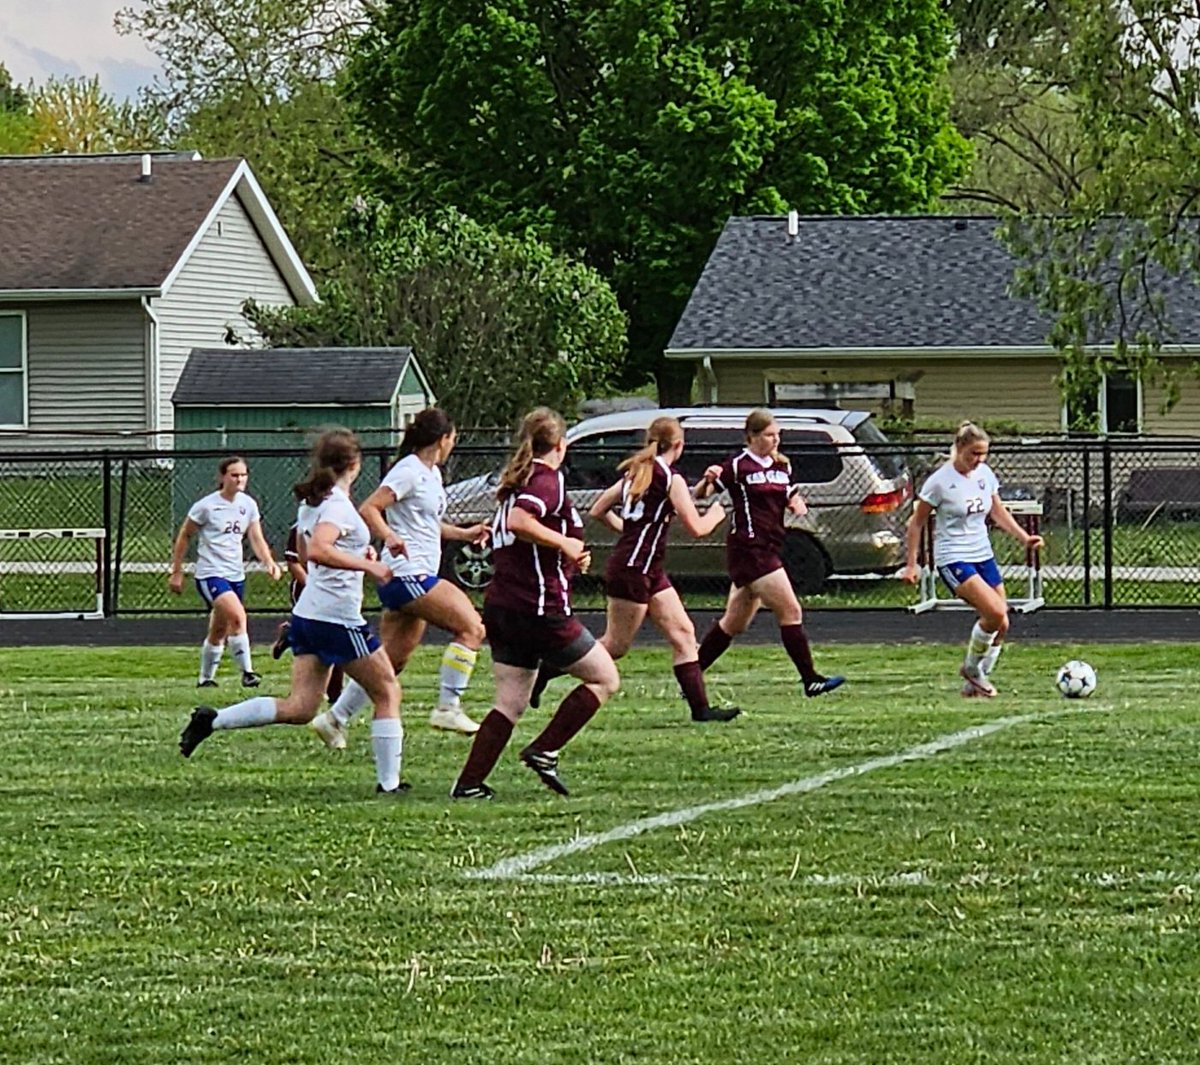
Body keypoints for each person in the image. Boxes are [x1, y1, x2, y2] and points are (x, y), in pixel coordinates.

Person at [178, 429, 408, 794]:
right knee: (387, 692)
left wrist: (356, 556)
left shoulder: (313, 503)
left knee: (300, 708)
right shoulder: (335, 505)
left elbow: (306, 556)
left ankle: (212, 721)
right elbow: (317, 552)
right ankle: (389, 784)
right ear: (354, 464)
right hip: (337, 616)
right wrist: (371, 567)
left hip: (311, 613)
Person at [450, 407, 620, 800]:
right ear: (560, 445)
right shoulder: (547, 480)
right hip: (537, 607)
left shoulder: (515, 483)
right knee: (604, 677)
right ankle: (544, 750)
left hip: (503, 605)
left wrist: (569, 554)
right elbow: (520, 524)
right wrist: (564, 544)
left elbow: (522, 532)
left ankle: (470, 784)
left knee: (510, 701)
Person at [529, 415, 739, 722]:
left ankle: (701, 709)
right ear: (678, 445)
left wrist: (629, 532)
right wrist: (717, 515)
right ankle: (547, 669)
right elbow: (696, 527)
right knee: (615, 645)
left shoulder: (636, 471)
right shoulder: (669, 477)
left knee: (683, 634)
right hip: (634, 570)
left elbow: (599, 509)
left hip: (645, 567)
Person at [308, 408, 489, 750]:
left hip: (413, 573)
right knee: (472, 628)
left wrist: (464, 534)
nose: (453, 445)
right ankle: (448, 706)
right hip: (408, 574)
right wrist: (388, 536)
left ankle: (334, 719)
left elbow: (427, 525)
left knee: (390, 661)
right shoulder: (408, 470)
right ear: (442, 440)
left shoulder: (431, 473)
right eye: (453, 439)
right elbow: (369, 508)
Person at [693, 409, 845, 697]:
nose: (775, 440)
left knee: (734, 623)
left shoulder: (781, 466)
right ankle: (810, 679)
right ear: (752, 437)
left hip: (771, 545)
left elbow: (790, 494)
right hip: (750, 548)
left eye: (777, 435)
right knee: (791, 610)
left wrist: (797, 504)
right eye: (769, 435)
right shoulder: (739, 465)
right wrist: (707, 478)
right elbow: (702, 494)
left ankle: (690, 677)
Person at [900, 421, 1044, 697]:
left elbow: (998, 512)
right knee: (994, 613)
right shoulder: (939, 482)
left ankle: (975, 682)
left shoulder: (985, 475)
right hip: (953, 557)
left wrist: (1025, 537)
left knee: (1002, 623)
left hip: (983, 554)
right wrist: (911, 564)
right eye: (973, 454)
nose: (978, 460)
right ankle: (971, 669)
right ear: (959, 449)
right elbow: (915, 523)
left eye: (983, 455)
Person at [168, 456, 281, 688]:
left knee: (219, 629)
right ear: (222, 477)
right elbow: (185, 535)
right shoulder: (206, 506)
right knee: (238, 617)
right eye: (234, 475)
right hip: (211, 574)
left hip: (235, 574)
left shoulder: (247, 505)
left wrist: (269, 561)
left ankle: (205, 679)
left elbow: (255, 537)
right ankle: (248, 673)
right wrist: (177, 571)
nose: (240, 479)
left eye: (243, 475)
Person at [270, 521, 344, 704]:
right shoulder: (302, 525)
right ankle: (332, 694)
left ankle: (291, 633)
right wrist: (313, 586)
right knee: (331, 639)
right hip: (307, 591)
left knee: (337, 637)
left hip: (337, 592)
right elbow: (294, 563)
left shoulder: (343, 521)